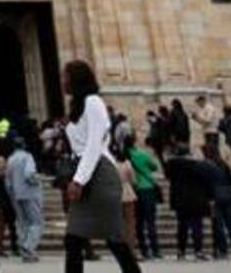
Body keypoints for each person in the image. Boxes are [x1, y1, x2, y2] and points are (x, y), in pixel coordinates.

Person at [59, 61, 141, 273]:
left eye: (66, 76)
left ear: (76, 79)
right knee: (73, 239)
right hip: (84, 172)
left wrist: (79, 180)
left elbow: (94, 144)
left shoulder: (93, 102)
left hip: (100, 174)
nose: (63, 81)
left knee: (114, 238)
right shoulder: (77, 107)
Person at [165, 144, 210, 261]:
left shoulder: (172, 165)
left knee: (182, 226)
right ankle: (198, 250)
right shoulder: (196, 165)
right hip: (195, 199)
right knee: (197, 226)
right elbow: (204, 180)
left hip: (180, 199)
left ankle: (181, 251)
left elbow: (167, 175)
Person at [202, 141, 231, 259]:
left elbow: (206, 183)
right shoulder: (224, 164)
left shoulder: (207, 166)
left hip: (214, 197)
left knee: (217, 224)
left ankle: (222, 249)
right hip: (227, 194)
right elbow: (230, 179)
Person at [123, 136, 160, 260]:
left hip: (134, 191)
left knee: (138, 222)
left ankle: (144, 249)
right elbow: (154, 167)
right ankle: (155, 249)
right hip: (147, 188)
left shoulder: (125, 157)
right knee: (150, 221)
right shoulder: (142, 155)